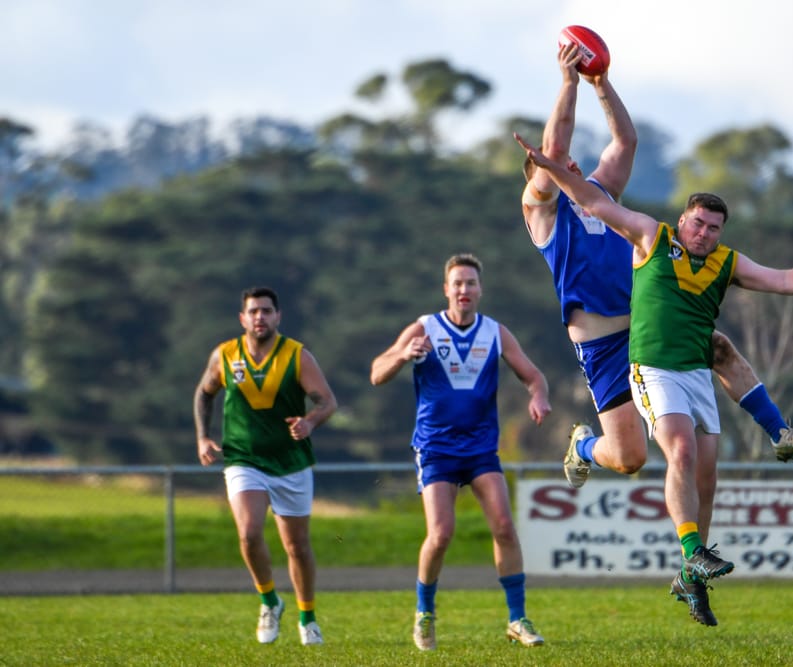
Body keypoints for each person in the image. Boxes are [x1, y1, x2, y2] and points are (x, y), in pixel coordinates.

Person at [517, 134, 793, 626]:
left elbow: (782, 279)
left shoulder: (723, 262)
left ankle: (695, 566)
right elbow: (589, 197)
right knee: (681, 451)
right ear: (683, 219)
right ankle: (693, 547)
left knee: (705, 473)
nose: (704, 233)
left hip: (692, 369)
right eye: (698, 223)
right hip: (648, 365)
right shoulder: (652, 236)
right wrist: (553, 167)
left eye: (714, 228)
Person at [520, 42, 793, 496]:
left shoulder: (601, 195)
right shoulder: (541, 211)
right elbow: (553, 145)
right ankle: (583, 448)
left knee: (717, 346)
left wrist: (602, 85)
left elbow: (626, 141)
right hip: (601, 342)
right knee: (629, 458)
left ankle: (780, 432)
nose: (569, 163)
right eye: (558, 164)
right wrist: (568, 83)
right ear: (541, 173)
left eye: (570, 162)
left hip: (649, 328)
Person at [370, 253, 551, 651]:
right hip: (436, 447)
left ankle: (517, 618)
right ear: (446, 289)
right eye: (457, 283)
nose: (464, 290)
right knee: (441, 533)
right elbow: (377, 372)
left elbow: (533, 375)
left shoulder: (495, 333)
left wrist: (538, 397)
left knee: (504, 525)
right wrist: (402, 355)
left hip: (481, 448)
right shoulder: (425, 328)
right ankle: (424, 612)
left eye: (470, 283)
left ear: (480, 290)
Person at [194, 286, 338, 646]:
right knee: (249, 532)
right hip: (243, 458)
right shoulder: (225, 355)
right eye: (253, 311)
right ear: (242, 318)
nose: (260, 317)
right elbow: (204, 392)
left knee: (297, 547)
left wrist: (309, 422)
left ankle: (307, 617)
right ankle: (269, 601)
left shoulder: (297, 355)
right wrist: (203, 437)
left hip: (291, 462)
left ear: (278, 316)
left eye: (267, 311)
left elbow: (327, 402)